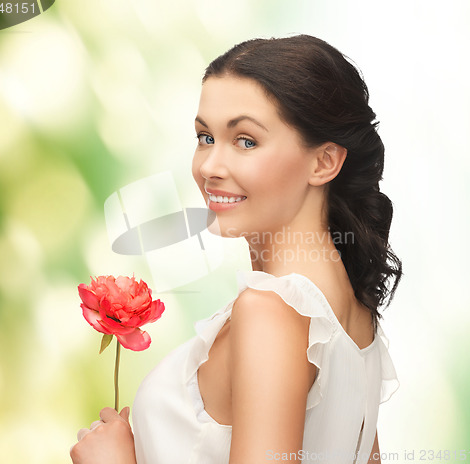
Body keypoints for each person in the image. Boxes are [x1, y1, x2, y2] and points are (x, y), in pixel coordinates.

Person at [70, 34, 403, 464]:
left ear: (324, 162)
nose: (209, 167)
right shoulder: (351, 311)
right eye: (205, 137)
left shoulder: (271, 310)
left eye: (246, 141)